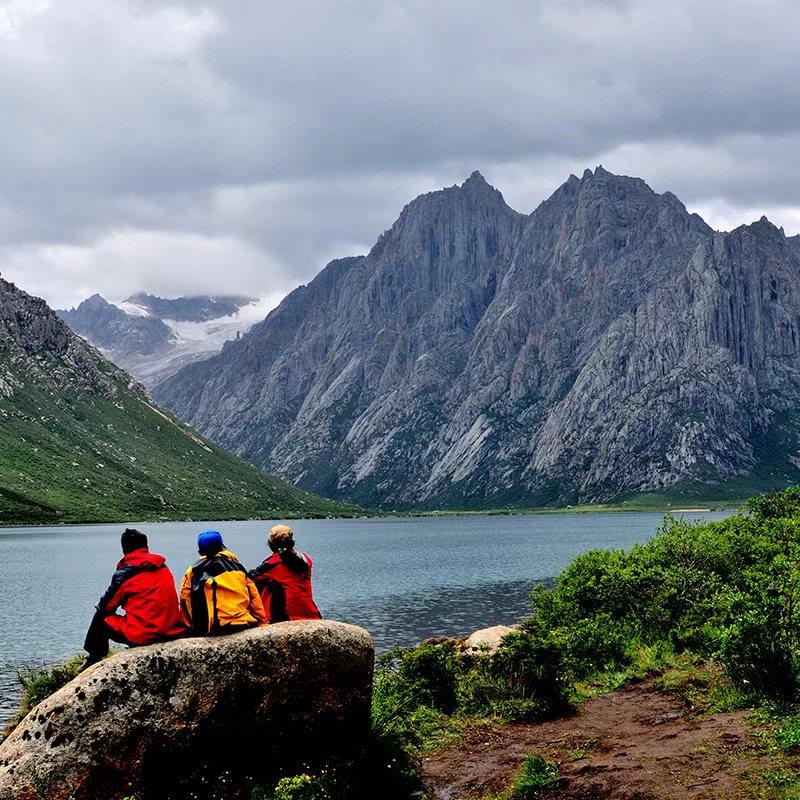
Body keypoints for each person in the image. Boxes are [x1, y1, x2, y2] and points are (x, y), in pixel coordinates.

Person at [82, 528, 184, 669]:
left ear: (124, 549)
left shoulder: (125, 574)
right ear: (146, 547)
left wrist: (100, 605)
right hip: (171, 629)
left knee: (100, 618)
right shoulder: (162, 566)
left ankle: (94, 659)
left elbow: (107, 606)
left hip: (147, 634)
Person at [180, 530, 267, 635]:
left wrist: (190, 626)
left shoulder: (193, 570)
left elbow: (185, 599)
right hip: (243, 622)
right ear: (222, 546)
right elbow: (254, 597)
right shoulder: (238, 567)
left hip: (216, 627)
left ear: (200, 550)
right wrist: (262, 622)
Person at [249, 524, 322, 623]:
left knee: (261, 584)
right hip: (311, 613)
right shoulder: (306, 559)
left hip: (287, 616)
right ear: (292, 542)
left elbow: (251, 578)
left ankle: (259, 617)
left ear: (271, 544)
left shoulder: (272, 564)